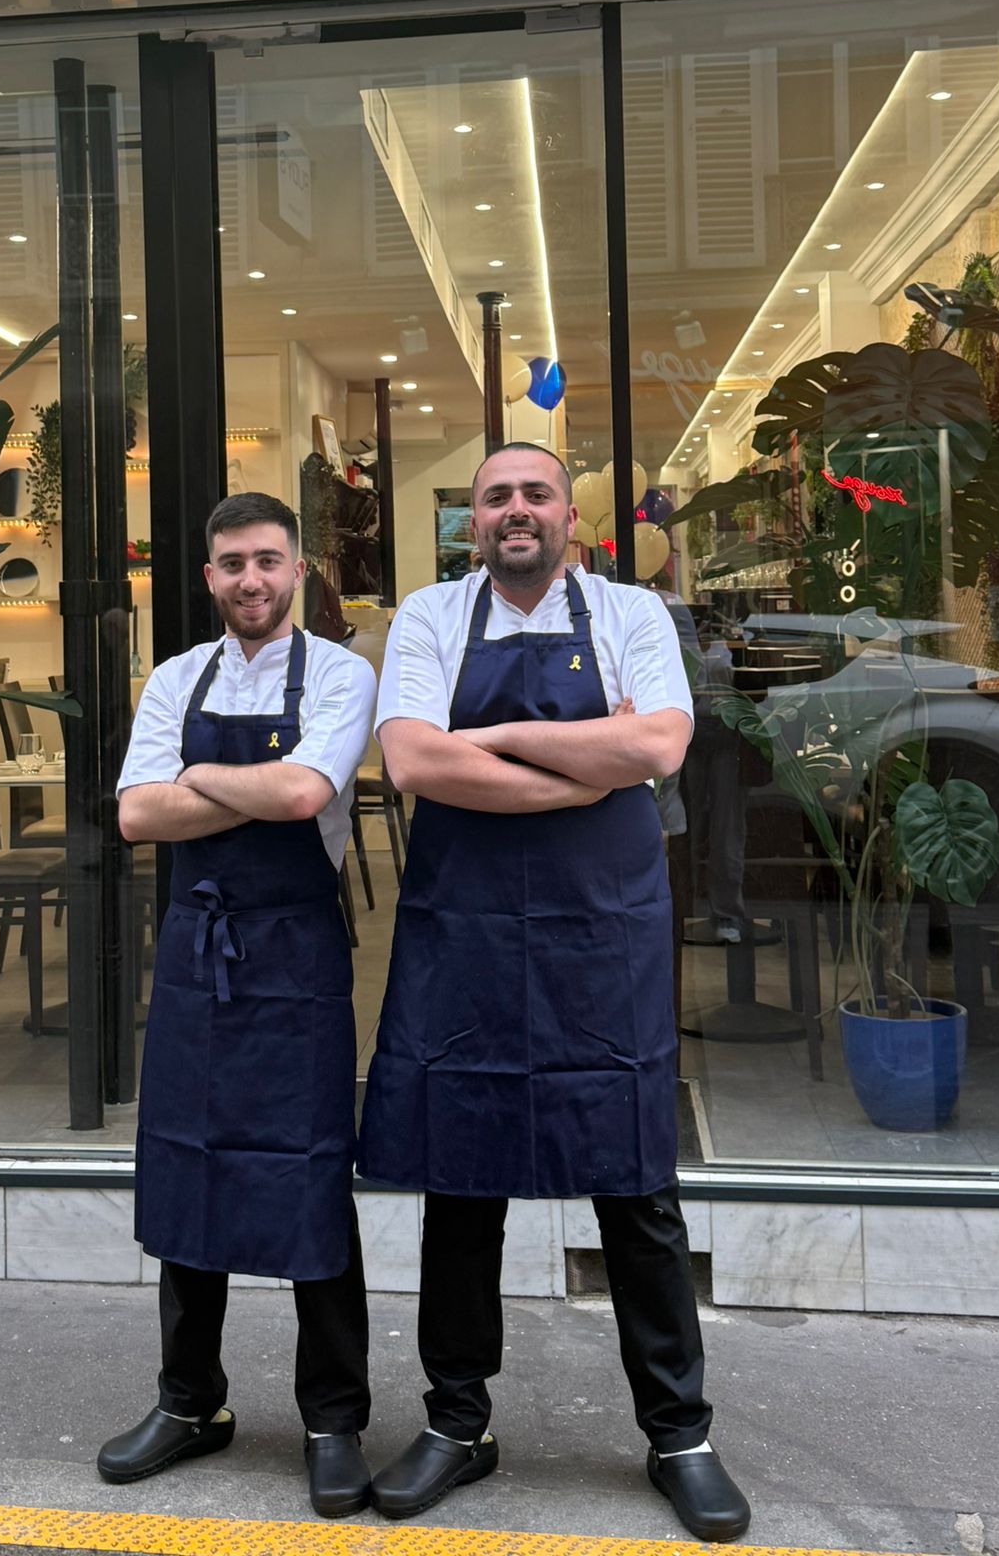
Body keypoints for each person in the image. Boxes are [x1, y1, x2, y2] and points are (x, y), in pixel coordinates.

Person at [358, 442, 751, 1541]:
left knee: (635, 1183)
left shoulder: (630, 612)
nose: (516, 510)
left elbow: (661, 744)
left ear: (567, 514)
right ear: (472, 521)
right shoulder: (431, 619)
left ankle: (680, 1433)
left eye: (535, 492)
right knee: (461, 1176)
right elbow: (414, 765)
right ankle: (456, 1421)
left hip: (600, 932)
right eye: (496, 497)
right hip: (466, 933)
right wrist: (587, 759)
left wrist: (494, 737)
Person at [100, 492, 378, 1519]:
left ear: (298, 569)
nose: (250, 578)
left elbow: (309, 795)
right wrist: (255, 777)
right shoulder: (178, 675)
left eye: (268, 559)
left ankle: (333, 1416)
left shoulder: (344, 673)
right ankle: (189, 1399)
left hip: (299, 959)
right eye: (231, 563)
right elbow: (136, 812)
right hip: (196, 958)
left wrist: (199, 781)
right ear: (208, 577)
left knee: (312, 1181)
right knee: (187, 1166)